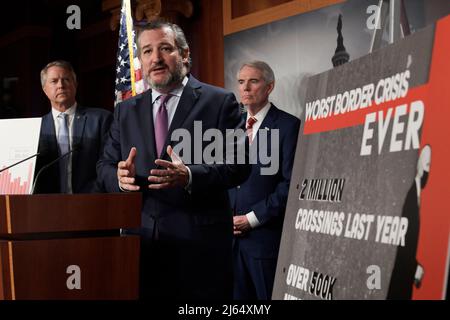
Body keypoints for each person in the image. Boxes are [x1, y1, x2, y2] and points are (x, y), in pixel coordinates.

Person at [96, 20, 250, 300]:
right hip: (142, 247)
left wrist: (189, 175)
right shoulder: (125, 111)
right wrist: (119, 178)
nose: (155, 58)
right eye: (147, 51)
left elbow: (238, 165)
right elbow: (104, 167)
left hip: (200, 249)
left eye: (165, 48)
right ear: (141, 60)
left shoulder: (219, 102)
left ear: (184, 54)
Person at [229, 61, 300, 300]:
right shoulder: (231, 128)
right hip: (231, 242)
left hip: (265, 243)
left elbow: (291, 185)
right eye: (241, 82)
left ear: (270, 87)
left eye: (253, 81)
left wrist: (250, 219)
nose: (245, 88)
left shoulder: (289, 126)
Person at [33, 60, 113, 194]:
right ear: (44, 89)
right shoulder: (36, 128)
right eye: (54, 81)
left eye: (66, 79)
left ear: (75, 84)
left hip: (91, 202)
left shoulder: (101, 119)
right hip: (49, 205)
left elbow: (107, 163)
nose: (61, 85)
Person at [387, 144, 431, 299]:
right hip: (399, 280)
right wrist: (414, 269)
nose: (428, 171)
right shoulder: (410, 195)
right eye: (426, 164)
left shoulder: (416, 195)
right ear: (418, 163)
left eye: (429, 167)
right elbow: (402, 245)